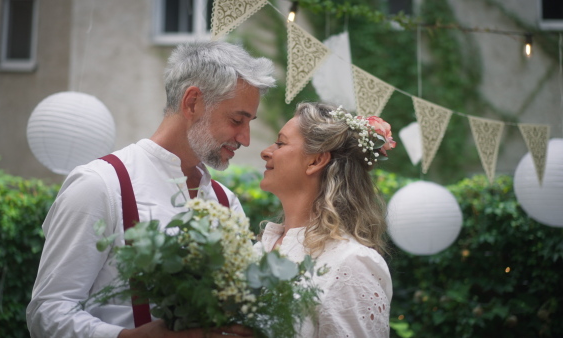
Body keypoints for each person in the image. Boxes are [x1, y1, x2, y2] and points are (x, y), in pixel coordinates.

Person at [26, 41, 275, 338]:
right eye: (237, 120)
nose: (245, 139)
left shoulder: (226, 201)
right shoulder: (100, 184)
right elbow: (47, 310)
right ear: (192, 102)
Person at [256, 102, 395, 337]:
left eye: (280, 143)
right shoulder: (261, 247)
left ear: (315, 161)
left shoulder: (351, 263)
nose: (266, 151)